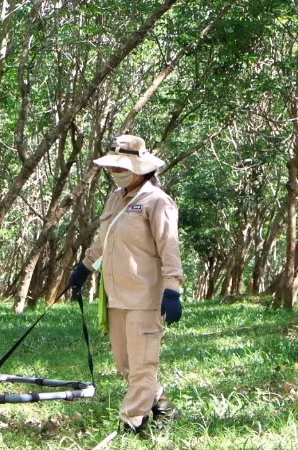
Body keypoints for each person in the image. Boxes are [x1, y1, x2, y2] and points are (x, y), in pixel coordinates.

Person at [69, 135, 184, 434]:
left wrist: (172, 289)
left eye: (122, 168)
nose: (115, 173)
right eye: (113, 168)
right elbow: (103, 243)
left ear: (141, 167)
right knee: (127, 366)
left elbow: (169, 249)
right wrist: (83, 269)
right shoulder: (115, 198)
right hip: (117, 297)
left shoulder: (157, 201)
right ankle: (164, 407)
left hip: (146, 298)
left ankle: (131, 424)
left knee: (143, 367)